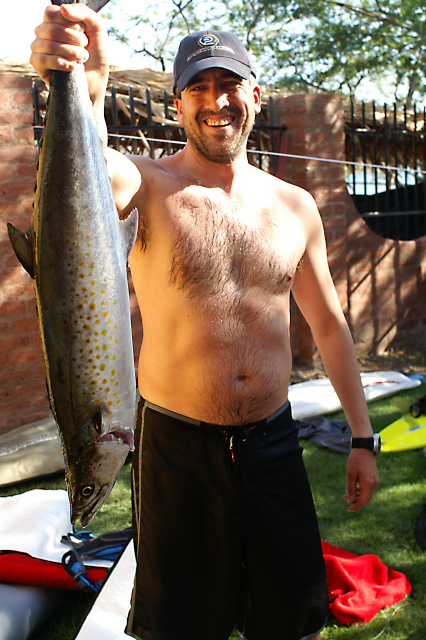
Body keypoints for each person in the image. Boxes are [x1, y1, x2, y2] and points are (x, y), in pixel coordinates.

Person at [30, 5, 380, 640]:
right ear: (177, 105)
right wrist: (84, 84)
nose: (215, 102)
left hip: (272, 445)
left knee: (289, 623)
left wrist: (361, 437)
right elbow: (83, 181)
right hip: (175, 450)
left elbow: (329, 325)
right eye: (197, 88)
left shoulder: (295, 206)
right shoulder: (145, 184)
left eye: (228, 83)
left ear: (254, 92)